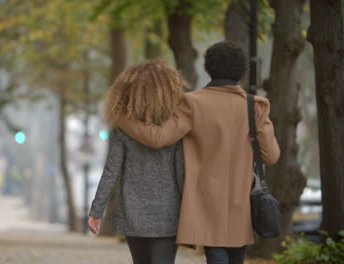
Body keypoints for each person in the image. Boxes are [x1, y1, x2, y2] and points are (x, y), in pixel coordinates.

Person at [118, 41, 280, 264]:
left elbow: (158, 138)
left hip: (205, 201)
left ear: (208, 68)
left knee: (216, 254)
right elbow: (271, 156)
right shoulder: (256, 106)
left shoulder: (192, 103)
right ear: (242, 70)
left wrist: (122, 118)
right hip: (240, 200)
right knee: (236, 257)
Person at [88, 59, 189, 264]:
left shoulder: (122, 127)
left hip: (133, 212)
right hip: (169, 212)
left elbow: (111, 171)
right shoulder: (176, 127)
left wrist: (96, 210)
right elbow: (181, 171)